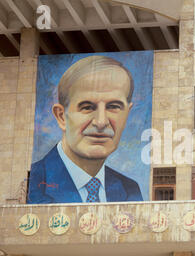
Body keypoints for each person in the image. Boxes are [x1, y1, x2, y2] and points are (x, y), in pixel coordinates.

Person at [28, 55, 143, 203]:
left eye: (113, 107)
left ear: (127, 113)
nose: (101, 122)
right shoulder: (34, 184)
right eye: (87, 107)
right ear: (61, 116)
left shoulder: (130, 190)